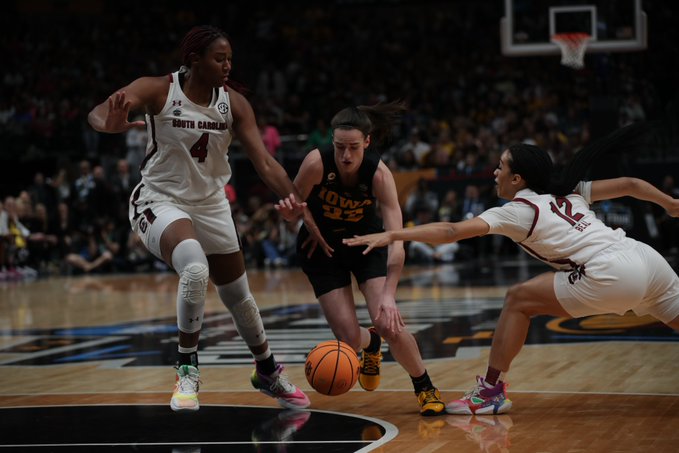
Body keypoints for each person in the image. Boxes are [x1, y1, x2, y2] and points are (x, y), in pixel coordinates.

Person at [344, 127, 679, 415]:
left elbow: (450, 232)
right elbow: (633, 183)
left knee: (519, 299)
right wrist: (671, 204)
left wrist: (394, 234)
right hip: (646, 258)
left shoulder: (517, 210)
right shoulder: (569, 191)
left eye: (500, 166)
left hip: (610, 272)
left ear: (517, 179)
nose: (494, 172)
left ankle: (491, 392)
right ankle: (491, 390)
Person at [87, 25, 330, 413]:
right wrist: (109, 125)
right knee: (196, 270)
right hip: (160, 199)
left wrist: (302, 208)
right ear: (194, 60)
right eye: (220, 58)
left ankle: (266, 371)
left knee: (238, 296)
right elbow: (100, 112)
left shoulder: (233, 103)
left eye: (230, 58)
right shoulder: (158, 90)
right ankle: (187, 368)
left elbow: (266, 163)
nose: (227, 65)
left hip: (212, 204)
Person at [274, 102, 446, 416]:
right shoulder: (316, 163)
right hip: (322, 250)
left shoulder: (380, 175)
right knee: (350, 340)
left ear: (367, 142)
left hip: (367, 245)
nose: (346, 156)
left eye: (353, 147)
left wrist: (390, 295)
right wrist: (292, 216)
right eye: (339, 147)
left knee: (387, 321)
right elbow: (296, 205)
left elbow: (397, 242)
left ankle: (425, 387)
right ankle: (370, 344)